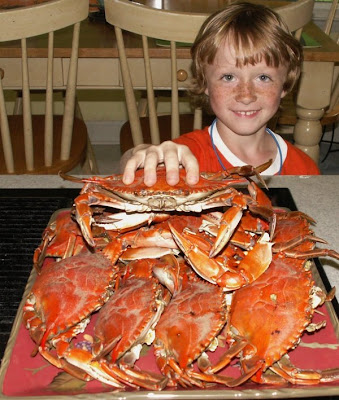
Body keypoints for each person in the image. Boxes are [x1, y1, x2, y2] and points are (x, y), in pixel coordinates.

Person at [120, 2, 320, 187]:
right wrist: (142, 153)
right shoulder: (184, 159)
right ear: (205, 82)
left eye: (263, 78)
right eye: (228, 77)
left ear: (285, 85)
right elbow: (129, 173)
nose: (246, 95)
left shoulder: (304, 168)